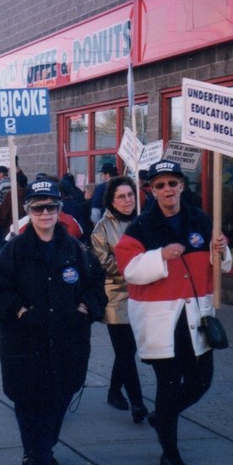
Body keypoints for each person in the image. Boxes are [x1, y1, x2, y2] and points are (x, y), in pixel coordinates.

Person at [114, 159, 231, 465]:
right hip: (160, 318)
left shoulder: (202, 220)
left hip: (195, 315)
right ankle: (170, 452)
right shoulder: (140, 227)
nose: (168, 189)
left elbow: (221, 266)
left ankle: (162, 417)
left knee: (201, 381)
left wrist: (220, 250)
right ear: (151, 190)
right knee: (168, 385)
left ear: (182, 186)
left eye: (173, 183)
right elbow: (129, 271)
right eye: (160, 185)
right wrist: (159, 257)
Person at [0, 179, 106, 465]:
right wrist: (20, 311)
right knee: (30, 405)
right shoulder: (14, 251)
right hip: (25, 346)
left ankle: (41, 448)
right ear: (29, 211)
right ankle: (38, 456)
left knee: (59, 400)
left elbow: (97, 285)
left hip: (67, 344)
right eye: (38, 208)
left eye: (51, 206)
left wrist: (86, 307)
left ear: (59, 209)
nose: (45, 213)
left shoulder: (76, 249)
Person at [91, 176, 147, 422]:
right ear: (111, 201)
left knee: (128, 350)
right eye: (122, 196)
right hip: (115, 295)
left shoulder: (144, 221)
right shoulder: (101, 229)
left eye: (131, 195)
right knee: (125, 350)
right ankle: (137, 402)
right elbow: (103, 262)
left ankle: (114, 390)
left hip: (143, 293)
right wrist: (137, 268)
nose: (128, 200)